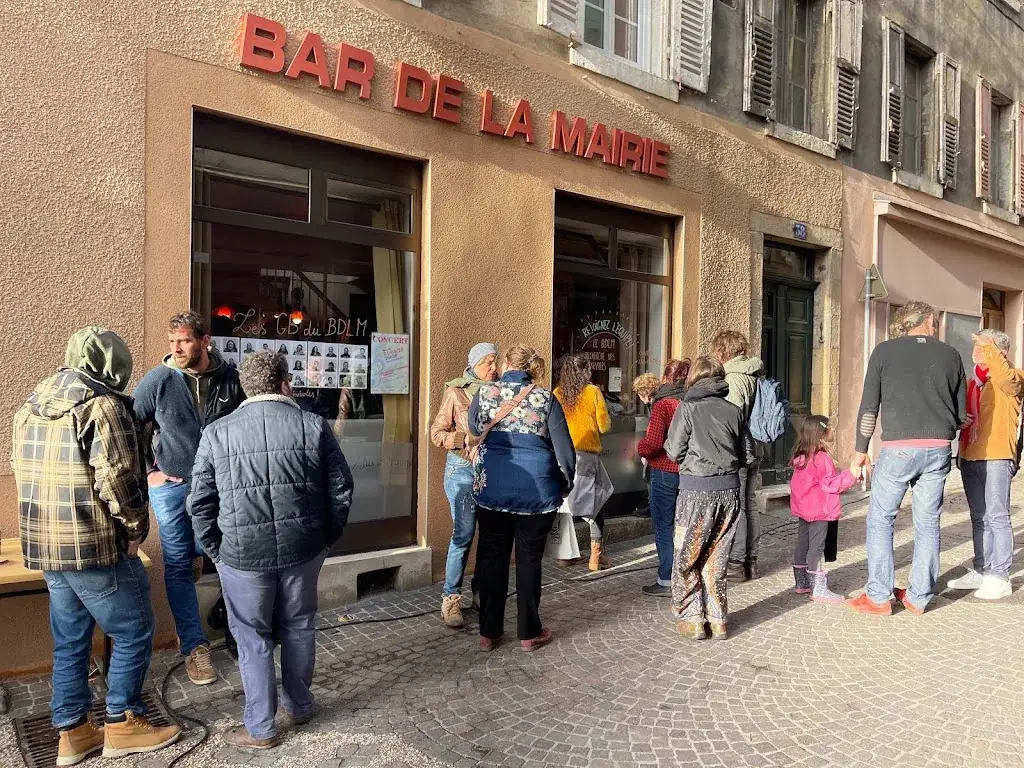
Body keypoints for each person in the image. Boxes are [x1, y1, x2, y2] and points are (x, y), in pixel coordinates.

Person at [11, 327, 182, 764]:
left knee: (70, 641)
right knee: (133, 630)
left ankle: (73, 734)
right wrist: (136, 528)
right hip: (96, 546)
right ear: (113, 367)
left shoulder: (30, 406)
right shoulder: (102, 405)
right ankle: (122, 723)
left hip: (48, 547)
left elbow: (19, 468)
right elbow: (121, 477)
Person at [189, 352, 353, 748]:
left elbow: (199, 502)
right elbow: (341, 489)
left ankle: (261, 727)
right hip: (303, 548)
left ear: (248, 387)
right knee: (299, 625)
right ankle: (298, 705)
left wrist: (216, 550)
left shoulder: (217, 432)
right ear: (285, 384)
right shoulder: (312, 425)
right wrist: (326, 538)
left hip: (243, 555)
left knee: (252, 637)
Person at [133, 311, 245, 684]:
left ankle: (237, 633)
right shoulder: (159, 380)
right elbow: (131, 427)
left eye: (183, 341)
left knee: (228, 558)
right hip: (173, 488)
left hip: (219, 487)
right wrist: (150, 472)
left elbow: (247, 423)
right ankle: (195, 649)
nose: (177, 348)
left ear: (205, 341)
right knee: (179, 564)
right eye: (172, 342)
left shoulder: (230, 379)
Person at [846, 301, 966, 616]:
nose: (937, 326)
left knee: (881, 519)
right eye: (936, 321)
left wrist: (861, 450)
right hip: (939, 448)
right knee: (927, 522)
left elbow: (869, 406)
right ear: (928, 320)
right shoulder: (950, 355)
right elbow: (962, 414)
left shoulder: (884, 353)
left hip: (899, 447)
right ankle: (918, 596)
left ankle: (878, 596)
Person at [469, 345, 576, 652]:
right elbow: (564, 450)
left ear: (506, 364)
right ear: (533, 369)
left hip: (492, 488)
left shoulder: (485, 394)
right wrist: (565, 482)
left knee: (492, 559)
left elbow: (475, 427)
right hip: (537, 492)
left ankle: (489, 632)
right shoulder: (546, 399)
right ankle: (529, 632)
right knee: (529, 562)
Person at [664, 356, 756, 640]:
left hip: (695, 492)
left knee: (686, 556)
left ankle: (692, 619)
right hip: (728, 492)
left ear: (694, 379)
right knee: (717, 558)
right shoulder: (734, 409)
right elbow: (749, 454)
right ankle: (718, 619)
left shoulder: (688, 408)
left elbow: (673, 451)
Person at [948, 329, 1024, 600]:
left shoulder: (1013, 377)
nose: (976, 353)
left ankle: (1000, 576)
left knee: (997, 515)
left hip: (997, 454)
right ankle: (982, 569)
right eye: (976, 348)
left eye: (983, 348)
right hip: (971, 454)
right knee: (979, 517)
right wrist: (961, 423)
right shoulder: (975, 382)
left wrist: (989, 347)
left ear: (1000, 353)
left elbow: (1008, 381)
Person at [429, 342, 499, 628]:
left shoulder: (501, 393)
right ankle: (451, 599)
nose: (493, 368)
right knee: (464, 533)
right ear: (474, 364)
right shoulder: (456, 391)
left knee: (491, 534)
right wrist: (461, 439)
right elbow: (437, 433)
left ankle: (481, 593)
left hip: (492, 471)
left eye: (496, 362)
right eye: (488, 363)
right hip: (462, 470)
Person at [710, 331, 764, 582]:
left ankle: (737, 562)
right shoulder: (755, 373)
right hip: (757, 447)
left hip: (741, 451)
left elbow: (731, 419)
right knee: (750, 504)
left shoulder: (733, 378)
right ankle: (751, 561)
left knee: (739, 507)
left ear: (723, 351)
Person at [789, 415, 860, 603]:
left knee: (802, 543)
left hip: (805, 508)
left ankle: (802, 582)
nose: (832, 430)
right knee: (816, 547)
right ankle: (818, 589)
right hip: (820, 509)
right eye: (829, 427)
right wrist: (850, 475)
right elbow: (830, 484)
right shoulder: (821, 458)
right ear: (821, 433)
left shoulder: (801, 454)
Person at [554, 355, 614, 571]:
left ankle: (564, 555)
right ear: (585, 371)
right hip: (586, 454)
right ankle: (596, 556)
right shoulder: (592, 392)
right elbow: (604, 426)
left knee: (563, 502)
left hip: (561, 454)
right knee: (596, 500)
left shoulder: (557, 393)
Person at [636, 359, 690, 597]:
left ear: (666, 379)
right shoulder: (691, 400)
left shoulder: (663, 404)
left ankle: (666, 579)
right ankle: (686, 575)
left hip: (664, 470)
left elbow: (655, 443)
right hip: (688, 472)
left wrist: (640, 448)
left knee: (664, 527)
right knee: (685, 526)